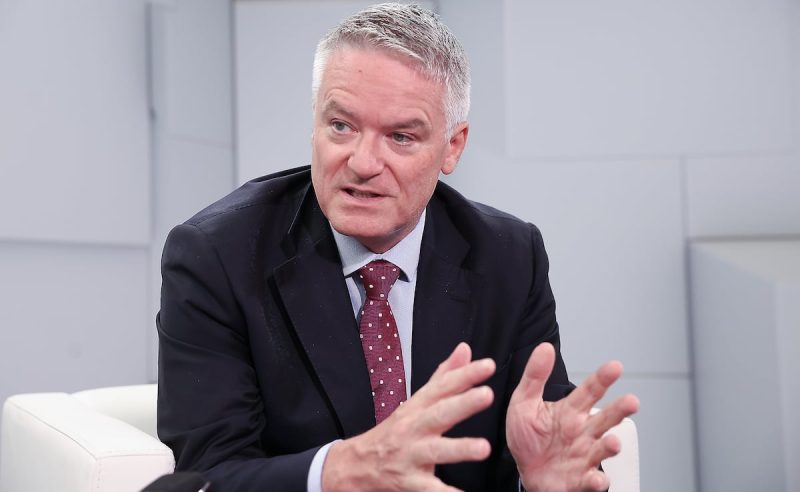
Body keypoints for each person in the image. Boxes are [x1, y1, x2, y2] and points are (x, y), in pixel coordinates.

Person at [156, 3, 639, 491]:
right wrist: (339, 470)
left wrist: (541, 483)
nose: (363, 163)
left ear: (453, 146)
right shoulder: (217, 256)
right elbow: (207, 475)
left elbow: (549, 439)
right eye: (341, 126)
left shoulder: (509, 257)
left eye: (401, 136)